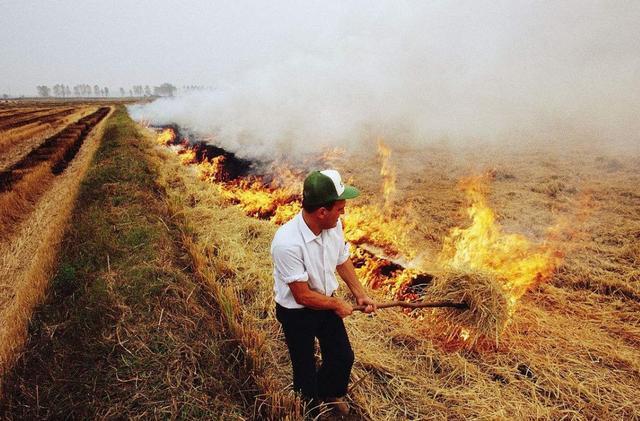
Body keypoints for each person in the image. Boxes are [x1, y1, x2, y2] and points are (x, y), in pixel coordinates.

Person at [271, 169, 377, 416]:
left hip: (326, 302)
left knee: (343, 356)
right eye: (340, 208)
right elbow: (302, 296)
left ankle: (329, 391)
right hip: (297, 312)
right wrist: (336, 304)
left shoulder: (334, 225)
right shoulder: (287, 243)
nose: (343, 213)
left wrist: (359, 293)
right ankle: (308, 407)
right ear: (322, 212)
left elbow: (342, 259)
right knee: (304, 369)